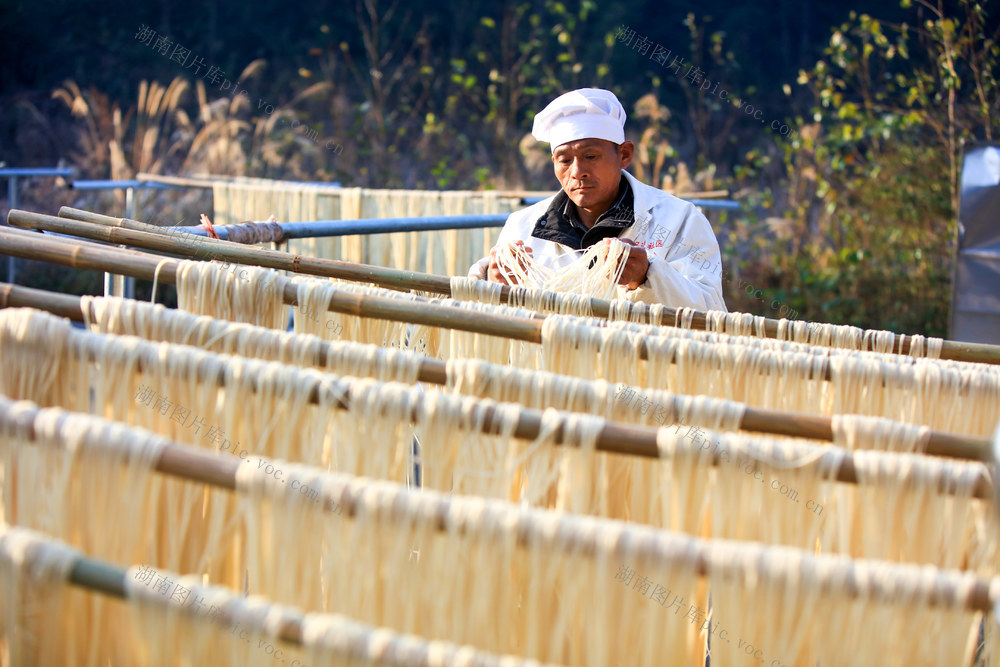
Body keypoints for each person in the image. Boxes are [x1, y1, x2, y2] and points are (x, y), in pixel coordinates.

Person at [468, 88, 726, 310]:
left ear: (624, 154)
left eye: (591, 156)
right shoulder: (522, 227)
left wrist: (648, 277)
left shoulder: (679, 220)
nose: (578, 172)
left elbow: (711, 309)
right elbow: (490, 321)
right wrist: (494, 285)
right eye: (565, 160)